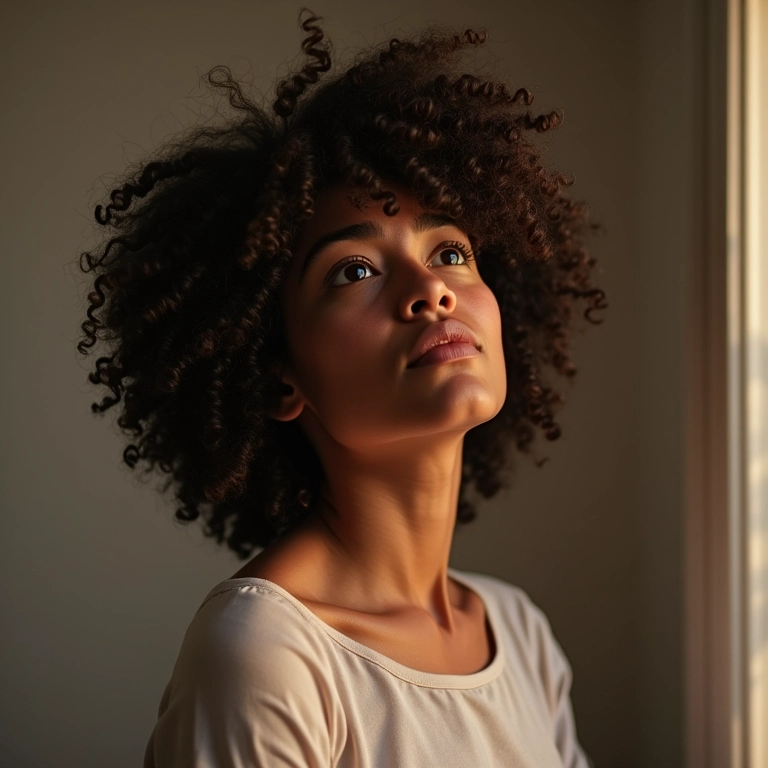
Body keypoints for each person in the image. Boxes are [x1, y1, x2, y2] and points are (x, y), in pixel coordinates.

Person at [77, 9, 606, 767]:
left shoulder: (518, 633)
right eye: (354, 270)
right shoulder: (266, 654)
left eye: (451, 250)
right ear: (277, 376)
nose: (431, 290)